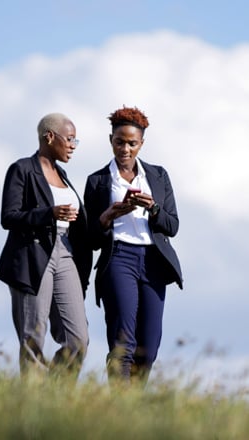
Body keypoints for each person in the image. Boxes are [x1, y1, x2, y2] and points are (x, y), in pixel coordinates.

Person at [83, 106, 183, 385]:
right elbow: (90, 238)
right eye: (119, 141)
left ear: (141, 143)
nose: (125, 149)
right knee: (123, 342)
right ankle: (119, 408)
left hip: (154, 262)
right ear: (111, 140)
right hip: (118, 259)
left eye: (132, 143)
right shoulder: (98, 181)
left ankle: (134, 409)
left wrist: (152, 208)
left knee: (148, 349)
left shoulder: (158, 176)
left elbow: (172, 226)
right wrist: (108, 216)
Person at [0, 112, 91, 379]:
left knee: (78, 339)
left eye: (76, 140)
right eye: (70, 139)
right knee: (33, 335)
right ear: (50, 136)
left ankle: (59, 394)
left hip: (66, 253)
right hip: (33, 255)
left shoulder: (63, 175)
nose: (73, 145)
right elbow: (8, 217)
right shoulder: (22, 169)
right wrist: (49, 214)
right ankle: (34, 400)